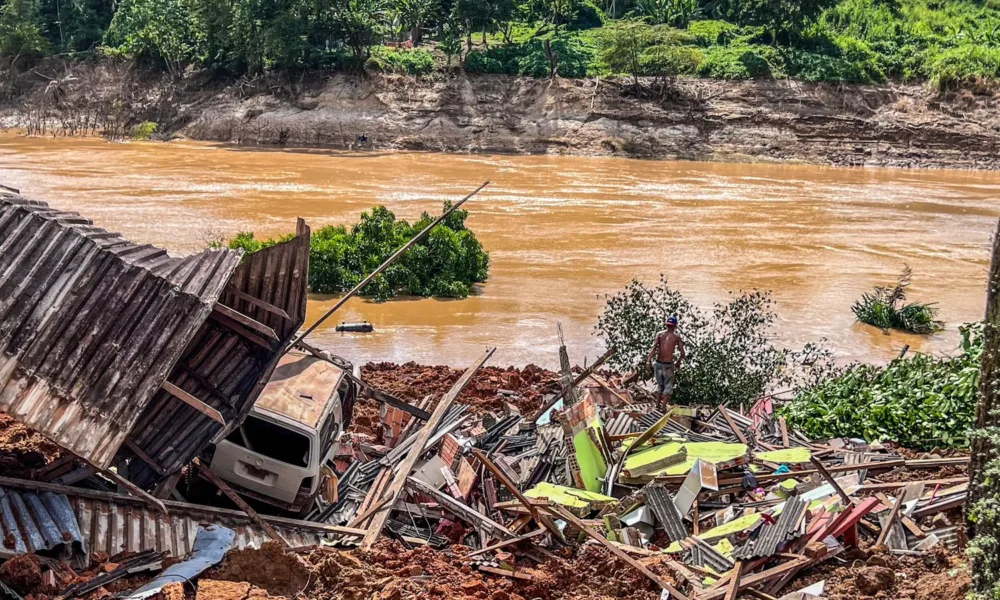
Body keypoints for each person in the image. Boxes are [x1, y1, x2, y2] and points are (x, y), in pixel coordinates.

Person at [647, 316, 685, 410]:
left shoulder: (660, 335)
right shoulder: (676, 337)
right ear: (675, 326)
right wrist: (678, 362)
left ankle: (657, 406)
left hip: (659, 364)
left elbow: (654, 348)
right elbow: (683, 353)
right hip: (668, 365)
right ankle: (663, 407)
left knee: (660, 386)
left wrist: (648, 361)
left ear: (666, 325)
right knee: (668, 386)